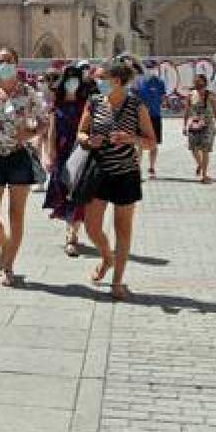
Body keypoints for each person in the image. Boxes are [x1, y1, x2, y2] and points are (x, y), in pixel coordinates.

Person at [78, 63, 156, 302]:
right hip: (98, 172)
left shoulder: (136, 105)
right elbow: (80, 134)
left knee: (123, 229)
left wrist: (130, 138)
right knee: (91, 227)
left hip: (126, 173)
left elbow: (151, 142)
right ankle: (106, 257)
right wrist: (90, 140)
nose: (97, 83)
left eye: (102, 78)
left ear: (117, 81)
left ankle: (117, 281)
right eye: (96, 79)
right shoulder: (94, 102)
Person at [0, 48, 46, 287]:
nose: (4, 64)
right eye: (0, 61)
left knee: (16, 216)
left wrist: (31, 133)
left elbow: (45, 121)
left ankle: (9, 266)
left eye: (8, 61)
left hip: (18, 157)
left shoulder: (28, 92)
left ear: (16, 64)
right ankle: (5, 246)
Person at [43, 65, 92, 257]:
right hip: (62, 152)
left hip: (81, 151)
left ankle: (72, 236)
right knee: (63, 190)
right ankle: (70, 228)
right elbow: (52, 130)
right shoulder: (58, 103)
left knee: (79, 192)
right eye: (70, 78)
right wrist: (50, 152)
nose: (73, 81)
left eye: (76, 78)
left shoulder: (86, 103)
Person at [184, 73, 216, 184]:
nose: (197, 83)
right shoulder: (190, 95)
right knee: (194, 149)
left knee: (205, 150)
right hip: (194, 125)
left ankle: (204, 175)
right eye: (196, 81)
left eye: (199, 81)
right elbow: (186, 112)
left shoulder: (210, 95)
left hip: (208, 125)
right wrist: (184, 126)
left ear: (204, 83)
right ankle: (200, 165)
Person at [135, 59, 166, 179]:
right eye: (148, 68)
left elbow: (163, 98)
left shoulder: (159, 82)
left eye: (152, 68)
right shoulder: (139, 82)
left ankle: (152, 167)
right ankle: (137, 169)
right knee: (139, 144)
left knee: (154, 143)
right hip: (141, 118)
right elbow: (134, 97)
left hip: (155, 116)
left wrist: (158, 103)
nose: (150, 70)